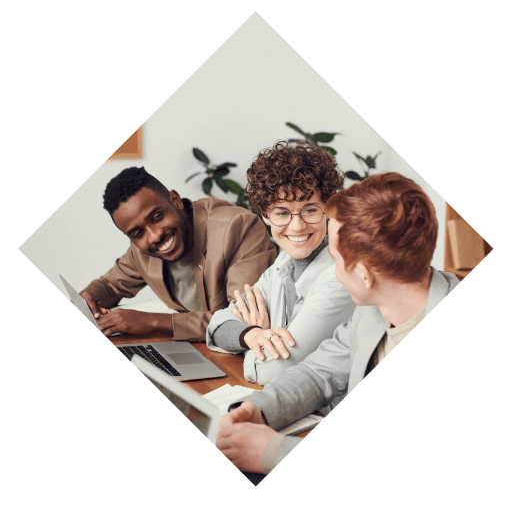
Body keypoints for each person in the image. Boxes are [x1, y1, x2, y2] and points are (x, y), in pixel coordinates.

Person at [215, 171, 460, 474]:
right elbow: (318, 373)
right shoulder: (373, 309)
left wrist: (273, 452)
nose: (332, 269)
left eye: (335, 257)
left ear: (365, 275)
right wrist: (258, 409)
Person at [206, 140, 356, 386]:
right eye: (282, 213)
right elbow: (217, 324)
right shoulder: (282, 265)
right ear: (265, 216)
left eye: (310, 210)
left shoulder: (339, 278)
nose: (297, 226)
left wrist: (247, 343)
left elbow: (271, 373)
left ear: (328, 209)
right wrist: (252, 334)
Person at [79, 166, 276, 341]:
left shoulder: (238, 227)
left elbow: (242, 319)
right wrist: (87, 300)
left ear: (176, 200)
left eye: (157, 217)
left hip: (251, 353)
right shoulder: (141, 251)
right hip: (200, 349)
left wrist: (153, 321)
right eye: (138, 233)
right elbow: (110, 286)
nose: (154, 236)